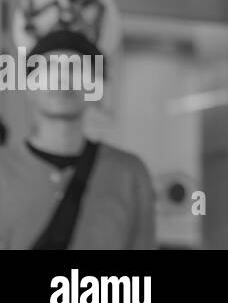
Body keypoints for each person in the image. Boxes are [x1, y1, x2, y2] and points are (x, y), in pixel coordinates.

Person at [0, 30, 155, 250]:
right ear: (28, 87)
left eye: (76, 69)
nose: (63, 79)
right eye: (50, 68)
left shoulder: (129, 174)